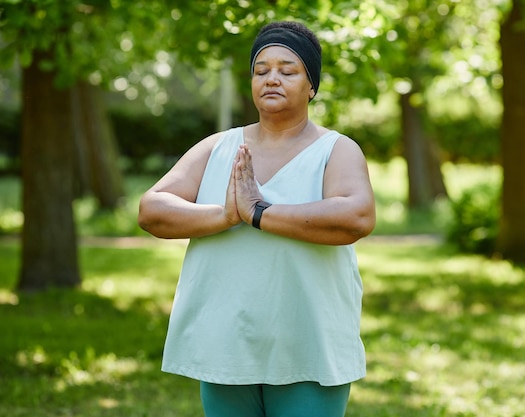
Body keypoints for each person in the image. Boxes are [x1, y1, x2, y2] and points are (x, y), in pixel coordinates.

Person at [138, 20, 376, 417]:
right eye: (261, 70)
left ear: (311, 85)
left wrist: (260, 213)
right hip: (226, 347)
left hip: (308, 349)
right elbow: (152, 209)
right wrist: (226, 214)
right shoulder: (218, 147)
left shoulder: (336, 150)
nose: (272, 79)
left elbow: (357, 216)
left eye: (288, 70)